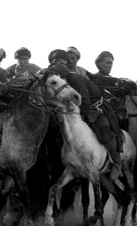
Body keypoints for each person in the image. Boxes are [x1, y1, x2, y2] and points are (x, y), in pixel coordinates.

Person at [49, 49, 124, 181]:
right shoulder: (56, 81)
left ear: (66, 66)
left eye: (61, 64)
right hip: (72, 112)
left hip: (94, 109)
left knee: (105, 133)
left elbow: (85, 100)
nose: (57, 67)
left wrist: (80, 115)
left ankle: (117, 164)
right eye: (55, 64)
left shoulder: (75, 79)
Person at [88, 51, 137, 133]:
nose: (110, 66)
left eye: (111, 63)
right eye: (108, 63)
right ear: (99, 64)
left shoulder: (113, 80)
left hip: (118, 114)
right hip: (103, 113)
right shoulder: (95, 78)